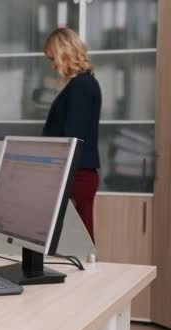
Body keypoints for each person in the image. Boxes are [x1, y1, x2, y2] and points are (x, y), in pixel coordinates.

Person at [42, 28, 102, 243]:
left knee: (78, 245)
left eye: (53, 58)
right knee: (78, 243)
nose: (53, 65)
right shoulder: (83, 84)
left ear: (64, 53)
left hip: (76, 174)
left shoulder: (81, 86)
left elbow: (73, 137)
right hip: (77, 172)